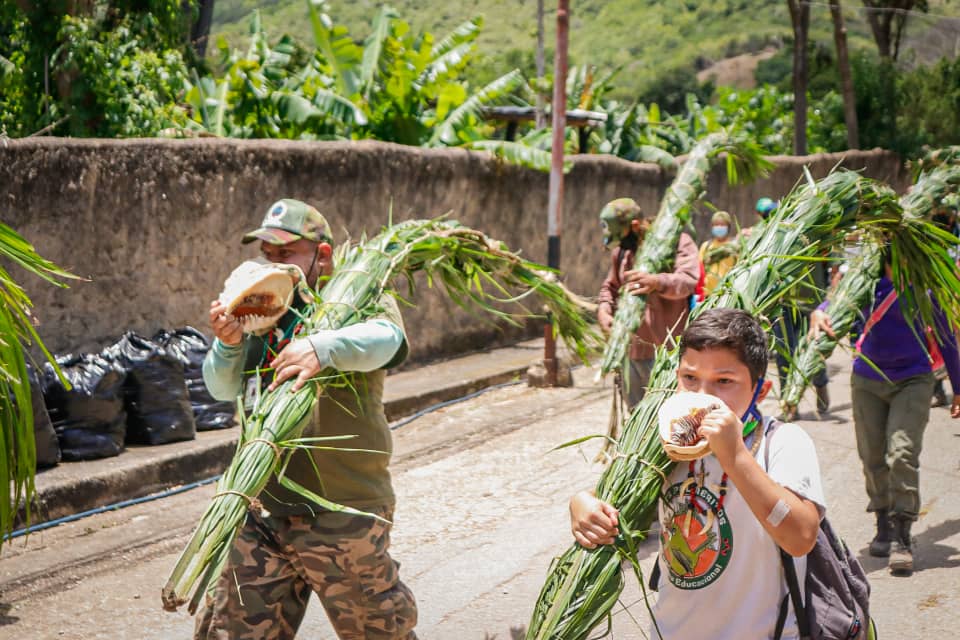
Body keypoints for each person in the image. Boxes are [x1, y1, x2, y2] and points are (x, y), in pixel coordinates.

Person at [196, 198, 418, 639]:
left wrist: (324, 348)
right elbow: (220, 389)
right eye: (268, 254)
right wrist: (227, 344)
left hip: (343, 512)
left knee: (377, 633)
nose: (274, 263)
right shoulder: (259, 314)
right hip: (259, 508)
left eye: (287, 254)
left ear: (323, 256)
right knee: (230, 632)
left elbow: (388, 341)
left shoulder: (356, 299)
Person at [571, 308, 825, 639]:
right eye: (690, 379)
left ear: (760, 391)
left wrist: (734, 455)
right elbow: (611, 502)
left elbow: (801, 536)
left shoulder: (782, 444)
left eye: (724, 382)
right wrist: (582, 503)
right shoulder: (665, 446)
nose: (703, 397)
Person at [811, 248, 960, 576]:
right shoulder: (866, 284)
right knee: (872, 457)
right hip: (867, 380)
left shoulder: (925, 288)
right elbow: (834, 305)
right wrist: (819, 312)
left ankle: (903, 534)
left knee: (902, 453)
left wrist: (958, 386)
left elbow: (947, 335)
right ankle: (883, 520)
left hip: (913, 379)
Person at [597, 198, 700, 407]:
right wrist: (603, 309)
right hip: (631, 350)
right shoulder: (623, 252)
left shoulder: (677, 241)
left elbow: (689, 280)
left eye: (621, 236)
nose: (620, 245)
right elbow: (610, 287)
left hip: (666, 351)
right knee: (636, 416)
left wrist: (657, 282)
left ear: (635, 226)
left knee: (670, 415)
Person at [698, 210, 739, 297]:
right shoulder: (706, 246)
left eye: (722, 225)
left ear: (728, 227)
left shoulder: (734, 246)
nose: (719, 227)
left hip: (727, 293)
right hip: (707, 294)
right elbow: (700, 270)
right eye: (716, 225)